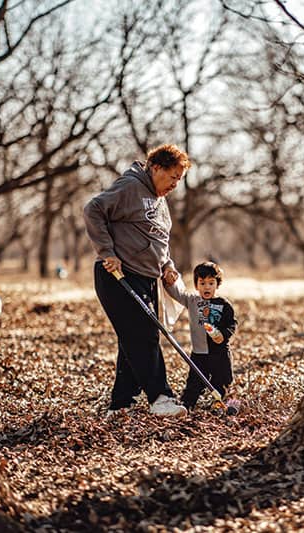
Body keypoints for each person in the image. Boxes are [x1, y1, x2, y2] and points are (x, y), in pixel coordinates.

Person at [83, 144, 190, 417]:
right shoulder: (130, 187)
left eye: (180, 179)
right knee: (144, 335)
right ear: (156, 168)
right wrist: (107, 252)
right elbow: (93, 209)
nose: (175, 184)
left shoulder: (159, 200)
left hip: (146, 278)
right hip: (118, 275)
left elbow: (159, 239)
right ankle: (161, 397)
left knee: (132, 339)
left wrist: (167, 265)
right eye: (173, 176)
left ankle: (121, 404)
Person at [164, 261, 238, 414]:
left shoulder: (224, 305)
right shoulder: (193, 301)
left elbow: (231, 324)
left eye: (211, 283)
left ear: (217, 285)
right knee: (194, 382)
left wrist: (223, 335)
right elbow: (178, 293)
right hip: (199, 353)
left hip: (220, 353)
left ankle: (221, 404)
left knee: (222, 380)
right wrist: (170, 282)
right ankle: (187, 404)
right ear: (197, 285)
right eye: (202, 283)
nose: (207, 287)